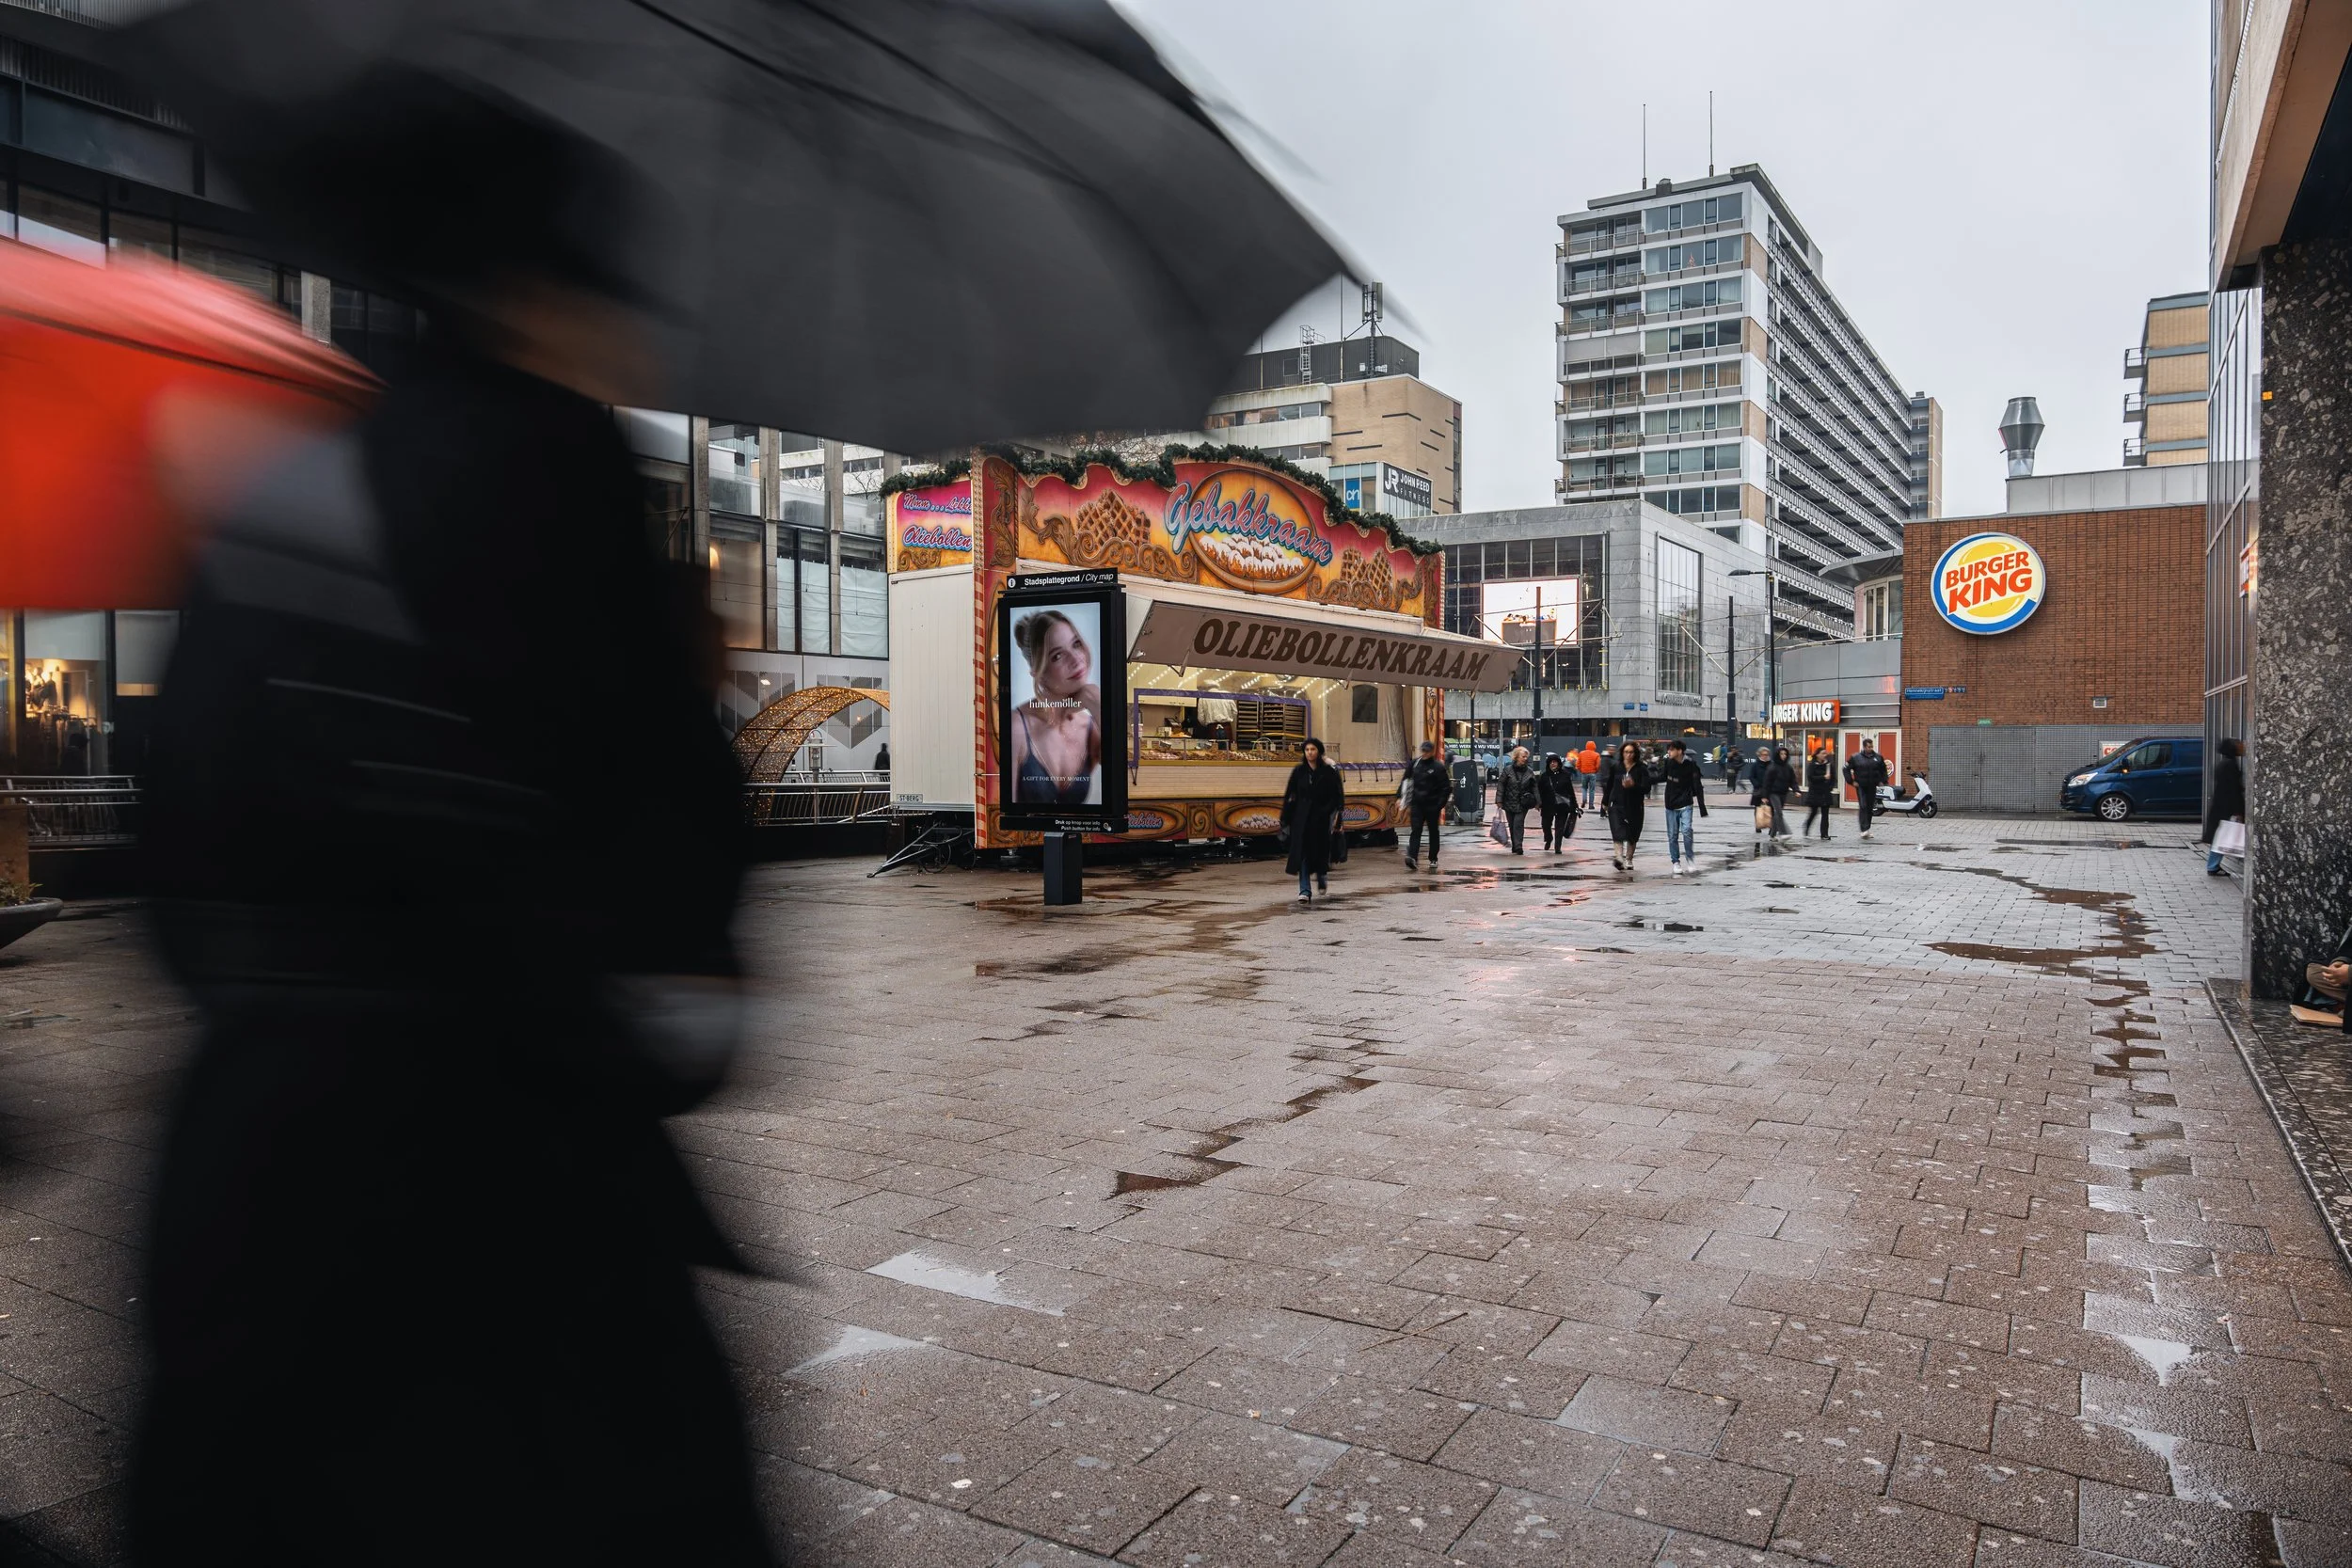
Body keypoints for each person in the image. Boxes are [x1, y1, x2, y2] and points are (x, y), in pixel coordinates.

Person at [135, 283, 771, 1553]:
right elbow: (679, 976)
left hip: (247, 1196)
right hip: (521, 1217)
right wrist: (692, 690)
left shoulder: (272, 489)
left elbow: (174, 887)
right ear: (547, 301)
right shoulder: (559, 476)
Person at [1009, 608, 1102, 806]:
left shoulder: (1090, 727)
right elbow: (1001, 816)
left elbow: (1124, 776)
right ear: (1037, 672)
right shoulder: (1017, 727)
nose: (1076, 659)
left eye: (1076, 644)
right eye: (1057, 656)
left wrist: (1098, 703)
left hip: (1074, 837)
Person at [1282, 737, 1344, 902]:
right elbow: (1290, 794)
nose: (1310, 752)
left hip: (1321, 818)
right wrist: (1285, 817)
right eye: (1307, 750)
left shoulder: (1328, 772)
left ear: (1319, 751)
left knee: (1319, 851)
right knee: (1302, 853)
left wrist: (1333, 812)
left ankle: (1321, 875)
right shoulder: (1299, 772)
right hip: (1301, 819)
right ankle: (1304, 890)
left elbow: (1337, 794)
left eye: (1313, 749)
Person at [1601, 739, 1652, 872]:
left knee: (1632, 834)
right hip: (1617, 804)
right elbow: (1610, 785)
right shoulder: (1616, 767)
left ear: (1635, 753)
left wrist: (1633, 786)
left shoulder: (1641, 769)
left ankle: (1629, 858)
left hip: (1635, 806)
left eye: (1631, 752)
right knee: (1617, 831)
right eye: (1626, 752)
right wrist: (1605, 802)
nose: (1628, 755)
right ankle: (1618, 857)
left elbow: (1646, 788)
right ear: (1622, 753)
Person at [1658, 738, 1708, 875]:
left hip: (1686, 803)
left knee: (1686, 830)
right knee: (1673, 835)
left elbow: (1697, 785)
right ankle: (1676, 862)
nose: (1669, 752)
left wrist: (1702, 807)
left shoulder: (1690, 764)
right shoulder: (1668, 763)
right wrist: (1646, 779)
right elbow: (1662, 777)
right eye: (1669, 749)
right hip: (1671, 804)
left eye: (1672, 749)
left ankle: (1690, 859)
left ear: (1680, 751)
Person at [1403, 739, 1452, 871]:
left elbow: (1446, 788)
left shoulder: (1438, 767)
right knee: (1416, 830)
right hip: (1417, 804)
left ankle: (1433, 858)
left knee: (1433, 832)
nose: (1424, 753)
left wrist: (1439, 804)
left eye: (1426, 751)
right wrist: (1400, 798)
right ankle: (1412, 857)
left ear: (1432, 752)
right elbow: (1406, 781)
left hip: (1432, 805)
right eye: (1423, 750)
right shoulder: (1415, 764)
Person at [2202, 736, 2246, 875]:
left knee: (2220, 836)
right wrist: (2238, 810)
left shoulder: (2226, 763)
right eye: (2239, 744)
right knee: (2221, 837)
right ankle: (2213, 866)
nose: (2243, 746)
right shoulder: (2230, 765)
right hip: (2226, 807)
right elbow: (2232, 789)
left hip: (2222, 806)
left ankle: (2213, 865)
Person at [1494, 745, 1538, 855]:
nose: (1525, 759)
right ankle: (1515, 845)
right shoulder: (1508, 770)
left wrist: (1538, 802)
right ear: (1516, 757)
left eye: (1526, 757)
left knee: (1518, 823)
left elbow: (1535, 787)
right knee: (1512, 824)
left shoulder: (1529, 772)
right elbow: (1501, 785)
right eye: (1523, 756)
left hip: (1523, 803)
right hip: (1509, 802)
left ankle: (1518, 846)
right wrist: (1499, 800)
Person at [1844, 739, 1890, 841]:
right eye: (1868, 747)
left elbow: (1883, 770)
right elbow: (1846, 769)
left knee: (1870, 807)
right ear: (1864, 747)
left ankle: (1867, 828)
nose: (1870, 749)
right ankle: (1863, 829)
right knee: (1863, 806)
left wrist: (1883, 780)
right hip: (1861, 785)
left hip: (1872, 785)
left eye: (1871, 747)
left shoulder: (1878, 757)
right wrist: (1851, 781)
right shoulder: (1856, 757)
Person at [1537, 752, 1580, 852]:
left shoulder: (1565, 775)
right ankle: (1548, 838)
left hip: (1562, 806)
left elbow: (1570, 791)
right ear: (1548, 764)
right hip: (1547, 805)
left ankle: (1557, 847)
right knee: (1545, 825)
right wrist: (1538, 803)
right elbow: (1539, 791)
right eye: (1551, 762)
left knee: (1559, 827)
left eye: (1555, 762)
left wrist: (1574, 805)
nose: (1553, 764)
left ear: (1559, 763)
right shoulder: (1544, 776)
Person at [1756, 745, 1796, 839]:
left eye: (1785, 754)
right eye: (1781, 754)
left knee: (1777, 814)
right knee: (1779, 812)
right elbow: (1767, 782)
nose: (1783, 756)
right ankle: (1783, 832)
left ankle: (1772, 834)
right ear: (1778, 755)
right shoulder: (1772, 767)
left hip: (1783, 793)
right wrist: (1765, 796)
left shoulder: (1788, 768)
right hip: (1773, 793)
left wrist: (1796, 790)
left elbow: (1793, 780)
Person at [1802, 747, 1836, 840]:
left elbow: (1833, 778)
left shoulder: (1829, 765)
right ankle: (1807, 827)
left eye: (1826, 753)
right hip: (1815, 792)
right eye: (1823, 753)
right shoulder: (1812, 765)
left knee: (1825, 814)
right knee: (1814, 812)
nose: (1825, 755)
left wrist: (1830, 786)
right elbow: (1811, 778)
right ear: (1817, 754)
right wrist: (1823, 777)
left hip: (1825, 792)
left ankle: (1824, 834)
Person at [1576, 739, 1601, 811]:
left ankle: (1584, 799)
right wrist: (1596, 771)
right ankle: (1591, 805)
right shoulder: (1596, 755)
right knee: (1592, 790)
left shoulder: (1581, 753)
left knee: (1584, 788)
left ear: (1586, 746)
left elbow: (1578, 765)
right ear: (1594, 746)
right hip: (1592, 774)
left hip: (1584, 774)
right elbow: (1598, 765)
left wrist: (1581, 770)